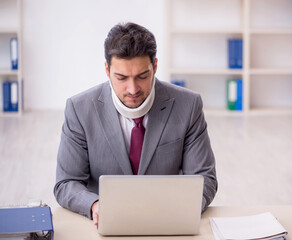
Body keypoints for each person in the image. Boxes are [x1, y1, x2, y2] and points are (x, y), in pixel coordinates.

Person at [54, 22, 217, 226]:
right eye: (121, 77)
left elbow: (205, 179)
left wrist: (178, 209)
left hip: (168, 220)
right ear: (107, 69)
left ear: (155, 67)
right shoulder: (79, 109)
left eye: (142, 76)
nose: (132, 89)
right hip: (104, 223)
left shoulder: (188, 105)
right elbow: (66, 183)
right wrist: (95, 205)